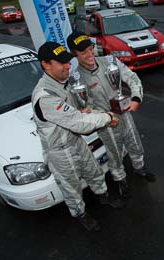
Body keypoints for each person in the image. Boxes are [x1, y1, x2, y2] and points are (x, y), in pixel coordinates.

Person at [32, 41, 124, 232]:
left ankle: (104, 197)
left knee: (94, 171)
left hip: (75, 141)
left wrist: (82, 109)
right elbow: (79, 122)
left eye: (67, 61)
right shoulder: (45, 95)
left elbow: (75, 113)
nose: (67, 66)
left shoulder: (62, 84)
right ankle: (80, 214)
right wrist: (106, 117)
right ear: (45, 64)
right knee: (71, 187)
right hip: (60, 152)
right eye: (61, 63)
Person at [67, 32, 155, 199]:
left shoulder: (109, 61)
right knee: (114, 153)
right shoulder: (75, 80)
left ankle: (139, 168)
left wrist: (136, 98)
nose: (89, 54)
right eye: (83, 52)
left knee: (134, 143)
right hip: (104, 123)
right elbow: (81, 109)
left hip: (124, 114)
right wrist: (102, 116)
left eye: (90, 48)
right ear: (74, 54)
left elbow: (132, 78)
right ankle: (120, 180)